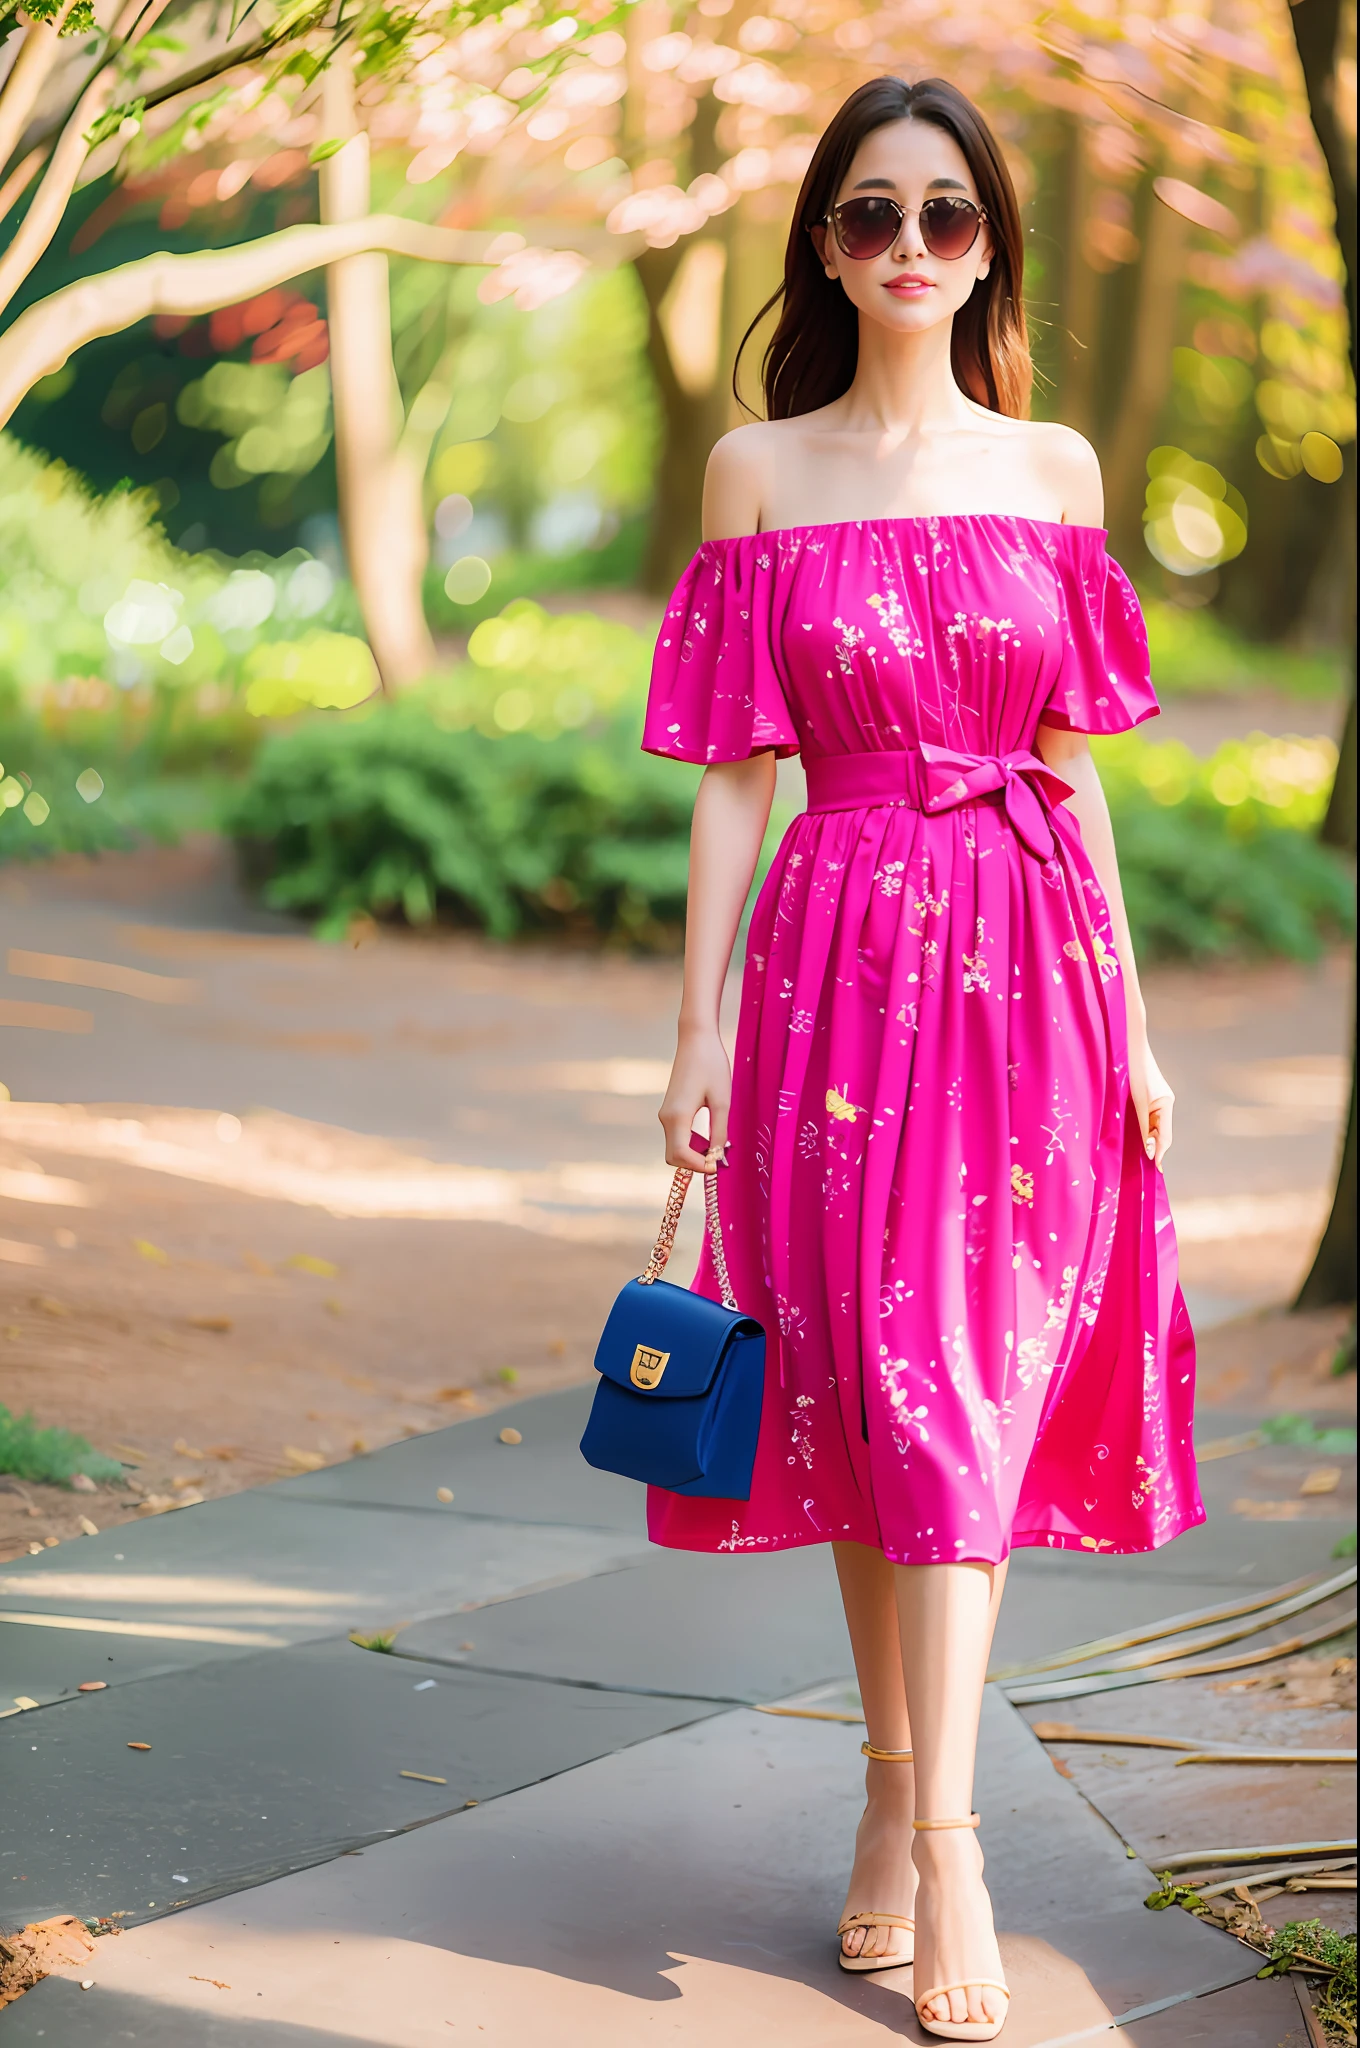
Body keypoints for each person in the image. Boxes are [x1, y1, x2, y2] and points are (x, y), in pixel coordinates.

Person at [643, 75, 1205, 2043]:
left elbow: (1078, 771)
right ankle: (890, 1799)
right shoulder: (755, 470)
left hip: (1025, 965)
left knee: (959, 1392)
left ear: (986, 248)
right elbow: (732, 786)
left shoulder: (1050, 465)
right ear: (820, 242)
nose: (904, 249)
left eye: (943, 218)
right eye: (869, 215)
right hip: (827, 973)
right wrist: (694, 1029)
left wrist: (1130, 1019)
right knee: (877, 1404)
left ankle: (947, 1833)